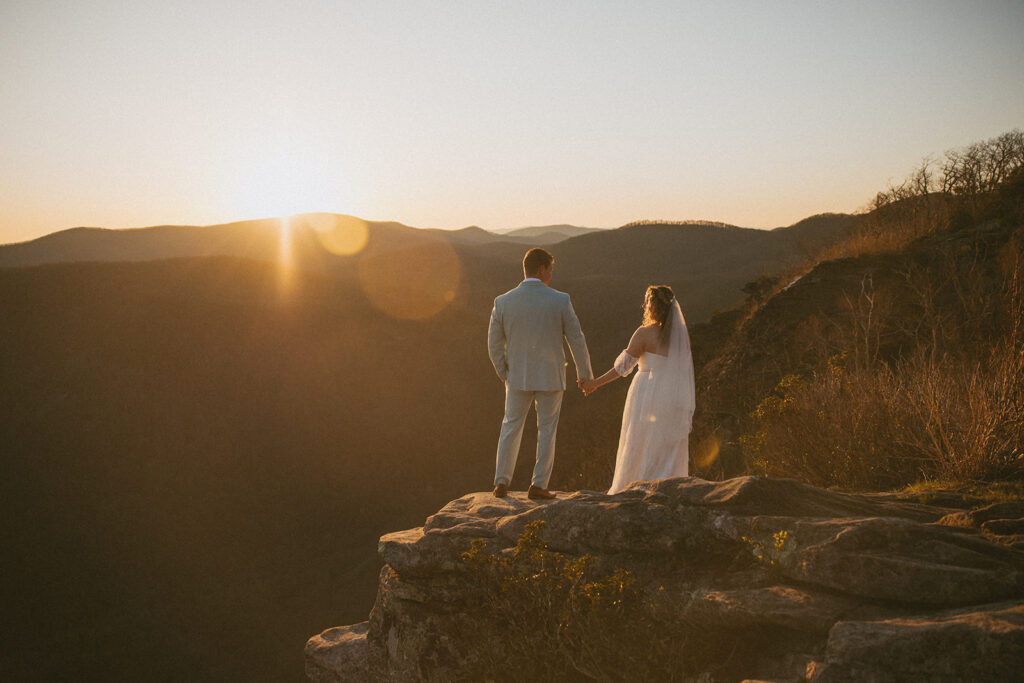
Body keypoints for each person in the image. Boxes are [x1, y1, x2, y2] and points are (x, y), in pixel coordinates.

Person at [488, 248, 593, 499]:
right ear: (543, 269)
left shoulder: (503, 301)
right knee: (547, 429)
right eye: (551, 269)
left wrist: (506, 373)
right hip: (551, 376)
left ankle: (501, 482)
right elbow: (576, 339)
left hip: (517, 376)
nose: (552, 273)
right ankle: (538, 485)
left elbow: (493, 344)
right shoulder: (560, 300)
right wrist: (585, 375)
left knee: (510, 426)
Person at [579, 285, 695, 494]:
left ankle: (638, 485)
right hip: (672, 393)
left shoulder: (644, 334)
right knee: (663, 440)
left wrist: (594, 383)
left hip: (646, 392)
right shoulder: (680, 337)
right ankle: (667, 484)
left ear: (652, 307)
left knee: (640, 438)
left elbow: (621, 369)